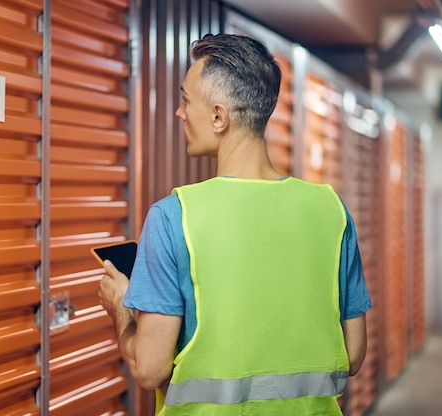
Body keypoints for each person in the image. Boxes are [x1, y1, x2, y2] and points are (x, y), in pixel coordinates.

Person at [98, 33, 371, 415]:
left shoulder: (174, 216)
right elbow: (354, 354)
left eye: (185, 100)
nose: (180, 113)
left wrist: (121, 308)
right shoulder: (331, 211)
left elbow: (148, 367)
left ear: (218, 116)